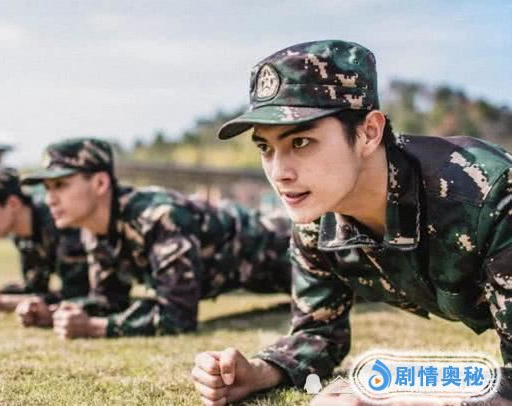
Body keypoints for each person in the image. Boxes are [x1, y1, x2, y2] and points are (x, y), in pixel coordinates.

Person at [190, 39, 512, 405]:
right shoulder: (317, 219)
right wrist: (260, 371)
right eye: (265, 147)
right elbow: (318, 335)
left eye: (301, 142)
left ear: (369, 132)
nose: (279, 173)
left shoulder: (490, 198)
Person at [20, 137, 292, 339]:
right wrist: (54, 311)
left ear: (100, 183)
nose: (50, 199)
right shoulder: (96, 231)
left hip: (289, 249)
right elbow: (109, 300)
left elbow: (178, 316)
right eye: (47, 188)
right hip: (261, 276)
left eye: (60, 185)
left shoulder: (158, 216)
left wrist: (95, 328)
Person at [0, 164, 125, 322]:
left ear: (13, 203)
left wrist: (5, 302)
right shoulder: (23, 235)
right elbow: (35, 287)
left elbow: (78, 294)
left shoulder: (62, 224)